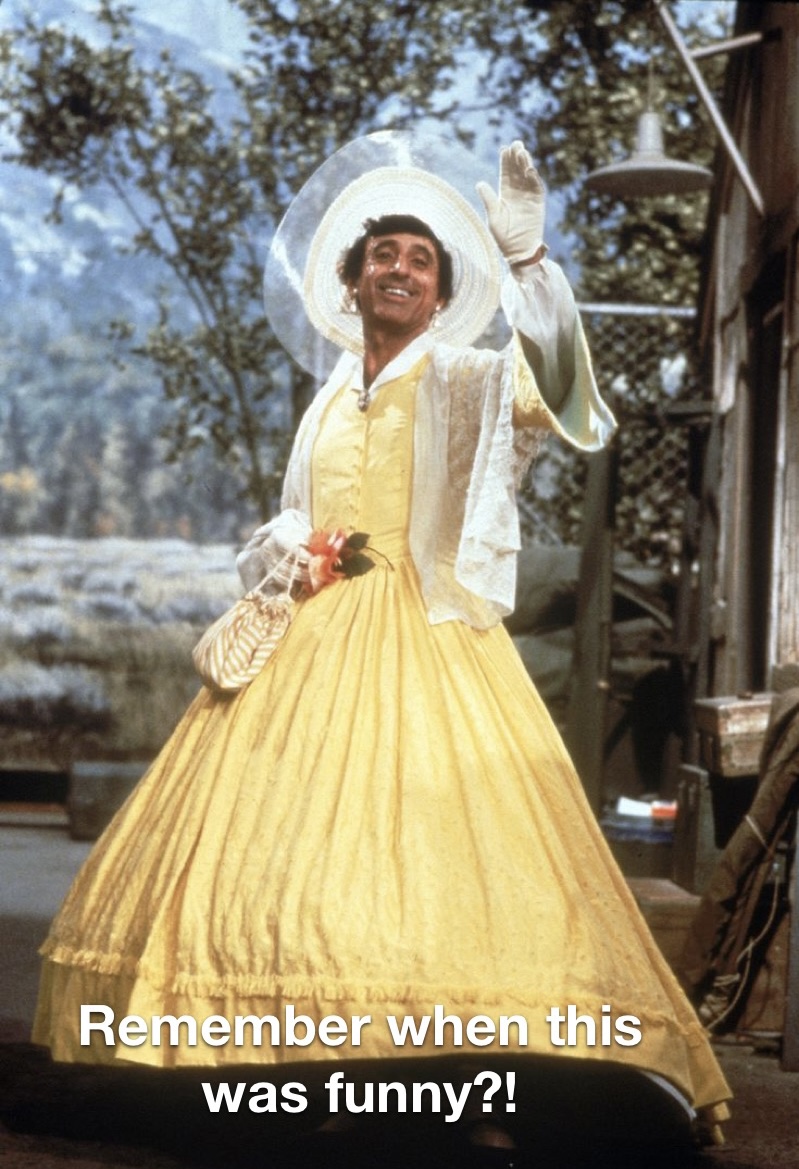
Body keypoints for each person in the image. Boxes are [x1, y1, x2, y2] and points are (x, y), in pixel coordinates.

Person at [32, 133, 730, 1162]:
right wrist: (292, 547)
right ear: (350, 280)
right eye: (382, 255)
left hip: (425, 636)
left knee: (432, 847)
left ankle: (447, 1064)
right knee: (281, 854)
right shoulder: (328, 396)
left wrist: (531, 267)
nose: (399, 269)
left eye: (421, 259)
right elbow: (301, 507)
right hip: (312, 635)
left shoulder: (459, 378)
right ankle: (291, 1065)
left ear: (441, 294)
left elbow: (559, 394)